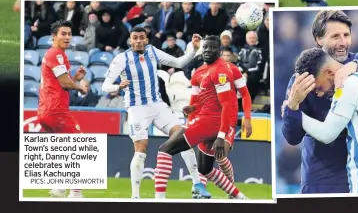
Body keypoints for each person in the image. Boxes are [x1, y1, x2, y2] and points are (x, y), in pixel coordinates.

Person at [281, 9, 358, 194]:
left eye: (346, 35)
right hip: (321, 178)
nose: (343, 42)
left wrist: (357, 66)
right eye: (335, 36)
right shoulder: (303, 78)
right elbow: (292, 137)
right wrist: (292, 107)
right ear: (319, 39)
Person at [101, 27, 210, 200]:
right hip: (137, 108)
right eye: (135, 38)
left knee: (183, 136)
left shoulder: (152, 51)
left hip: (157, 105)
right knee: (141, 147)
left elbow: (179, 63)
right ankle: (135, 196)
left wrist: (194, 50)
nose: (138, 41)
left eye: (141, 38)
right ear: (130, 40)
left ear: (146, 40)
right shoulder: (121, 59)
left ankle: (197, 184)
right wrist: (118, 86)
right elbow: (105, 86)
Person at [153, 36, 250, 200]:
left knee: (165, 150)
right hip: (210, 120)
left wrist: (246, 118)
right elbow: (195, 102)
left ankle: (159, 199)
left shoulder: (225, 71)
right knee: (205, 169)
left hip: (217, 121)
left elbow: (238, 99)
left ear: (220, 51)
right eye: (205, 48)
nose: (207, 51)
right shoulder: (198, 73)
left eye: (212, 48)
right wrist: (191, 111)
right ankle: (239, 197)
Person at [37, 20, 87, 198]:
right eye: (63, 34)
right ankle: (75, 193)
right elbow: (65, 83)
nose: (67, 37)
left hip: (46, 110)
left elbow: (62, 83)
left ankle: (58, 187)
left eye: (69, 34)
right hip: (55, 109)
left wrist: (75, 78)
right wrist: (80, 86)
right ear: (54, 36)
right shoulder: (56, 54)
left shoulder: (55, 55)